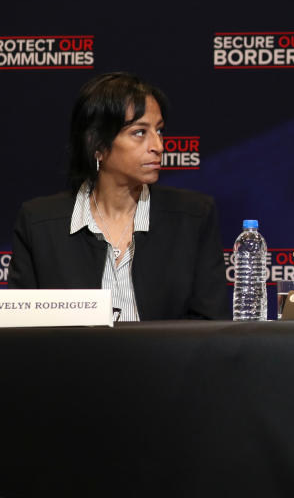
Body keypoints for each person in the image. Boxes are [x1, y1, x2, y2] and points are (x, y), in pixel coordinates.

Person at [10, 72, 228, 320]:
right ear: (97, 145)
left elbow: (210, 328)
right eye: (139, 132)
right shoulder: (39, 224)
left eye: (159, 131)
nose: (158, 145)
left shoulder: (194, 217)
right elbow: (21, 331)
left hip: (168, 360)